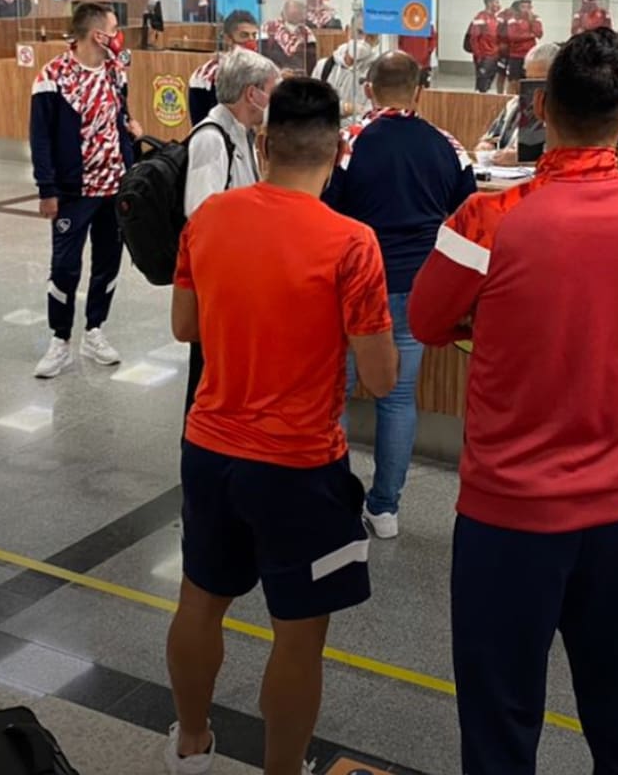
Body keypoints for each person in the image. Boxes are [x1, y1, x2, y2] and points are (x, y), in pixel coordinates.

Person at [408, 28, 618, 775]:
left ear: (540, 109)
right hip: (611, 509)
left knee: (500, 721)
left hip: (506, 515)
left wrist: (490, 316)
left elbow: (427, 321)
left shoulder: (487, 221)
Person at [163, 76, 397, 775]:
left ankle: (191, 745)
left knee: (200, 601)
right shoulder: (352, 243)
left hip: (208, 448)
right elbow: (382, 379)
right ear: (337, 154)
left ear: (262, 145)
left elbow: (185, 327)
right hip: (301, 467)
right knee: (297, 637)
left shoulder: (207, 221)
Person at [323, 52, 474, 539]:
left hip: (353, 286)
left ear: (368, 89)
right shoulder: (448, 146)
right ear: (419, 92)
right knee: (397, 396)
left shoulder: (348, 143)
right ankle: (385, 508)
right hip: (416, 286)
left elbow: (325, 210)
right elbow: (466, 217)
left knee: (334, 395)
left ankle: (332, 499)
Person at [29, 3, 142, 379]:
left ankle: (95, 330)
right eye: (114, 28)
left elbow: (119, 114)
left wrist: (131, 130)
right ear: (98, 35)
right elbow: (41, 138)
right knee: (64, 266)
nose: (117, 34)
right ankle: (59, 339)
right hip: (74, 193)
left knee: (108, 263)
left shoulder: (115, 70)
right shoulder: (53, 77)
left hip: (115, 187)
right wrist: (48, 189)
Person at [182, 47, 279, 421]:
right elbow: (202, 214)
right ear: (252, 94)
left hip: (240, 278)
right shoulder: (212, 136)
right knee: (207, 377)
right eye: (271, 89)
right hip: (219, 284)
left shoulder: (243, 134)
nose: (274, 99)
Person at [475, 41, 558, 167]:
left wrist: (525, 158)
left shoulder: (565, 114)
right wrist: (486, 146)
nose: (534, 89)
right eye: (529, 80)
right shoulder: (514, 105)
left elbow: (566, 158)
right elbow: (491, 137)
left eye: (540, 81)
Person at [188, 10, 260, 125]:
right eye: (244, 35)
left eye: (254, 35)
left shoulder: (256, 70)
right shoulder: (210, 74)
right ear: (228, 39)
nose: (251, 42)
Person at [311, 21, 381, 127]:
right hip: (322, 137)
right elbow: (312, 106)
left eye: (370, 37)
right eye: (359, 32)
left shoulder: (378, 73)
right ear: (348, 30)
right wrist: (347, 107)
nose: (363, 40)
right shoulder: (324, 66)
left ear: (377, 41)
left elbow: (368, 117)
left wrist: (330, 111)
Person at [262, 0, 318, 75]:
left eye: (300, 11)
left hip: (299, 76)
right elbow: (262, 53)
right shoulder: (269, 27)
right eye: (293, 10)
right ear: (284, 12)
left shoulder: (306, 32)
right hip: (273, 74)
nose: (297, 13)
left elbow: (311, 58)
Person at [469, 0, 504, 94]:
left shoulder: (496, 18)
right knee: (482, 83)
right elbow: (474, 38)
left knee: (489, 81)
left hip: (494, 55)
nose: (498, 5)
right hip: (484, 56)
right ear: (489, 3)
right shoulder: (480, 17)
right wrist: (479, 56)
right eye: (496, 2)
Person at [503, 0, 542, 84]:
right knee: (513, 81)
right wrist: (530, 35)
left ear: (531, 7)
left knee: (528, 80)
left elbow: (539, 34)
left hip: (530, 55)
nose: (525, 10)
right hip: (515, 55)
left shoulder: (536, 18)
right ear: (519, 8)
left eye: (528, 7)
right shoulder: (513, 19)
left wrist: (531, 21)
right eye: (523, 7)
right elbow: (513, 37)